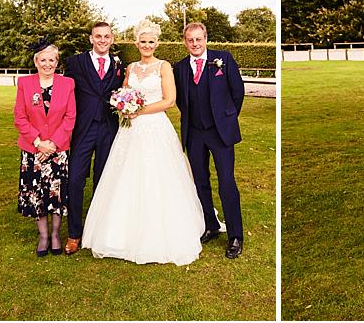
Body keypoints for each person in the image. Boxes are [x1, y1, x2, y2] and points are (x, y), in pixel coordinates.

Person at [81, 19, 205, 265]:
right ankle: (120, 234)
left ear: (156, 43)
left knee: (158, 176)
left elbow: (169, 101)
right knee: (126, 175)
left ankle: (159, 235)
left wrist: (138, 110)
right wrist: (124, 106)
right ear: (137, 43)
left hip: (155, 127)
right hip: (130, 130)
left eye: (151, 41)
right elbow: (123, 94)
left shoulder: (164, 67)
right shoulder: (130, 68)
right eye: (143, 41)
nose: (147, 45)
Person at [173, 22, 246, 259]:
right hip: (194, 132)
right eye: (190, 40)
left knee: (226, 181)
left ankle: (235, 235)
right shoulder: (180, 68)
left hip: (220, 132)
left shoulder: (223, 59)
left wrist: (226, 117)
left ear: (206, 39)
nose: (195, 44)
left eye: (199, 39)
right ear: (185, 42)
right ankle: (210, 224)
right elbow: (181, 101)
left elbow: (238, 92)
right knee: (200, 181)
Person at [62, 22, 124, 255]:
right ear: (91, 38)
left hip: (109, 128)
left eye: (106, 36)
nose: (102, 40)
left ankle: (100, 231)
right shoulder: (76, 62)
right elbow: (65, 93)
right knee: (76, 180)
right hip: (83, 129)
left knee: (104, 179)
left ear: (112, 38)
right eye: (98, 36)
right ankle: (74, 234)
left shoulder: (119, 63)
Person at [14, 40, 76, 257]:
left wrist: (54, 143)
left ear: (57, 62)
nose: (47, 64)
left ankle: (56, 234)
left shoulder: (67, 84)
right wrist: (39, 142)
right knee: (38, 193)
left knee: (57, 194)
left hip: (58, 151)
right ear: (36, 61)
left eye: (51, 60)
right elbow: (20, 117)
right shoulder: (25, 83)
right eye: (43, 60)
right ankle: (43, 235)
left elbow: (70, 117)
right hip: (34, 151)